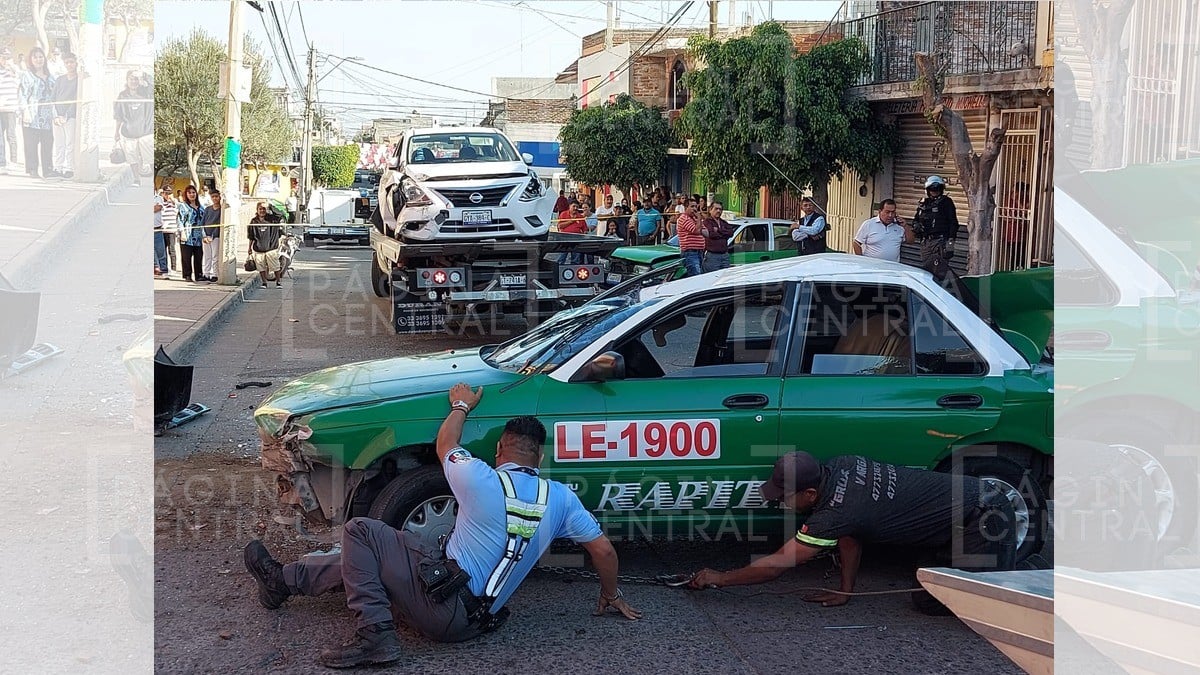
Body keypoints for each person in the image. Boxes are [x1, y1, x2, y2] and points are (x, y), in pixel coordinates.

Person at [243, 384, 642, 668]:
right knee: (381, 552)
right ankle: (283, 581)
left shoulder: (482, 479)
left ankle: (375, 638)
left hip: (443, 608)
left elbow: (445, 446)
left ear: (501, 448)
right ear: (538, 457)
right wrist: (610, 593)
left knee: (360, 532)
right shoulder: (560, 497)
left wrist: (460, 406)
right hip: (476, 620)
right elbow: (604, 551)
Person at [688, 451, 1016, 615]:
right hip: (977, 497)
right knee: (925, 573)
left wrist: (720, 577)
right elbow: (851, 533)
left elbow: (776, 565)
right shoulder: (841, 466)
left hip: (986, 521)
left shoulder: (833, 514)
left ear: (811, 494)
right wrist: (846, 590)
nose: (782, 503)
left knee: (929, 602)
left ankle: (1013, 587)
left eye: (786, 496)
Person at [17, 47, 55, 179]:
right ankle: (33, 169)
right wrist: (25, 111)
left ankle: (48, 170)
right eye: (35, 57)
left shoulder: (51, 76)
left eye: (40, 57)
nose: (38, 60)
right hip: (31, 115)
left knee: (47, 143)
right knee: (31, 144)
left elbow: (54, 96)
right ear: (30, 60)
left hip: (47, 117)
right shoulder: (27, 75)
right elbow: (22, 95)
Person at [911, 176, 960, 277]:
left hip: (940, 242)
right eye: (932, 189)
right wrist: (916, 226)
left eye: (937, 189)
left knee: (939, 270)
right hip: (925, 242)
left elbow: (953, 222)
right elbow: (916, 219)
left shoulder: (946, 202)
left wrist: (950, 242)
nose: (934, 191)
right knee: (926, 271)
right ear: (928, 190)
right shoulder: (924, 203)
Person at [114, 69, 152, 184]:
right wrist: (116, 132)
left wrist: (143, 75)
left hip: (146, 132)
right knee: (132, 157)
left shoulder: (146, 93)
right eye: (131, 78)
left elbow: (152, 83)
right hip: (129, 133)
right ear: (127, 80)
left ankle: (154, 183)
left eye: (136, 79)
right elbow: (118, 115)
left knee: (150, 158)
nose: (134, 81)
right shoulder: (122, 95)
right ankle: (136, 179)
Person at [50, 51, 76, 179]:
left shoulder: (79, 80)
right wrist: (55, 115)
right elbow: (53, 98)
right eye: (67, 62)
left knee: (70, 143)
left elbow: (77, 99)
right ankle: (58, 167)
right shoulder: (60, 80)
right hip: (57, 116)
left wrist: (66, 115)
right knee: (59, 143)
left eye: (71, 62)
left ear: (75, 63)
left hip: (70, 117)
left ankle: (70, 168)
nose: (69, 65)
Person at [248, 201, 283, 288]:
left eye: (264, 209)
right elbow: (251, 236)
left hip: (271, 248)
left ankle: (278, 282)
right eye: (260, 209)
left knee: (275, 266)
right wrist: (249, 248)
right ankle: (264, 282)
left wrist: (270, 206)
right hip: (259, 248)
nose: (262, 211)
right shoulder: (254, 221)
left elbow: (280, 214)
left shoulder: (272, 219)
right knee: (261, 267)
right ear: (257, 210)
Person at [176, 185, 206, 283]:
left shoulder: (201, 207)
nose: (192, 195)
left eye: (193, 192)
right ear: (186, 194)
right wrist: (182, 232)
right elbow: (180, 220)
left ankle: (199, 274)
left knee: (198, 256)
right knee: (186, 256)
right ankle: (187, 275)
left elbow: (203, 221)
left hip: (198, 236)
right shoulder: (183, 206)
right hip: (186, 234)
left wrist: (204, 234)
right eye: (189, 193)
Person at [0, 48, 21, 174]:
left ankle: (13, 161)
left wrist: (10, 66)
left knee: (11, 135)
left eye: (7, 57)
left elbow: (19, 79)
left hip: (11, 108)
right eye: (3, 57)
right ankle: (1, 162)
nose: (4, 60)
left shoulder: (15, 70)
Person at [700, 201, 734, 273]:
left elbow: (731, 233)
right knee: (711, 278)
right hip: (712, 256)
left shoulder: (724, 222)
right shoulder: (707, 222)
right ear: (710, 210)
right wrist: (723, 233)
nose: (718, 211)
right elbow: (711, 234)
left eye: (720, 209)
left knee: (724, 279)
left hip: (725, 255)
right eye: (716, 209)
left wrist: (718, 230)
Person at [675, 198, 705, 276]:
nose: (695, 209)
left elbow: (706, 231)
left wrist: (698, 220)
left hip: (699, 251)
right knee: (695, 275)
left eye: (695, 206)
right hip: (690, 252)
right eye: (692, 206)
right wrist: (699, 218)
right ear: (686, 208)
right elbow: (696, 230)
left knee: (700, 274)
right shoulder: (684, 218)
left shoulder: (694, 219)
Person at [200, 188, 224, 282]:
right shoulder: (207, 209)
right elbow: (202, 223)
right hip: (206, 235)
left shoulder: (221, 210)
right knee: (207, 256)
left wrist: (212, 236)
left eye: (216, 196)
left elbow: (218, 224)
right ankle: (206, 273)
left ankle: (215, 274)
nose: (215, 198)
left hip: (215, 236)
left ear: (219, 197)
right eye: (213, 197)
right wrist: (204, 235)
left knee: (215, 256)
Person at [159, 186, 179, 272]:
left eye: (169, 193)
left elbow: (178, 207)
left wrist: (172, 199)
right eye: (166, 193)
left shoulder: (174, 203)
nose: (167, 195)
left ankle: (174, 267)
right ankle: (164, 267)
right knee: (163, 250)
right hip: (162, 230)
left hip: (171, 230)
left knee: (172, 249)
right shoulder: (161, 203)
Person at [154, 190, 169, 278]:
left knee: (160, 251)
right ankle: (155, 269)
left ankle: (164, 270)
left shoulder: (158, 198)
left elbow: (158, 208)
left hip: (157, 228)